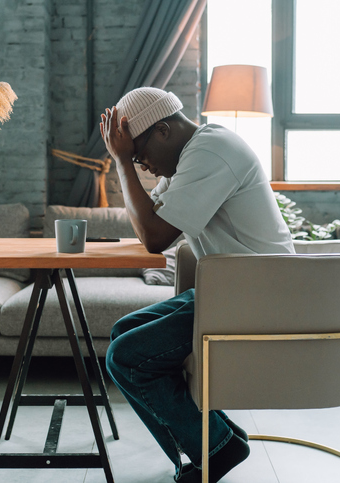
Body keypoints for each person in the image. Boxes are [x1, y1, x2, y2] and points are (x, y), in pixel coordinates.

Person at [99, 87, 295, 483]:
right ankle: (216, 441)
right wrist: (127, 157)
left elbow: (154, 237)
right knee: (125, 333)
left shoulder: (212, 152)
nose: (145, 167)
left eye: (141, 156)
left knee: (127, 357)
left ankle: (217, 449)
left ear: (163, 132)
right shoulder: (191, 156)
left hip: (259, 294)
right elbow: (149, 220)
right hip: (230, 289)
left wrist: (120, 162)